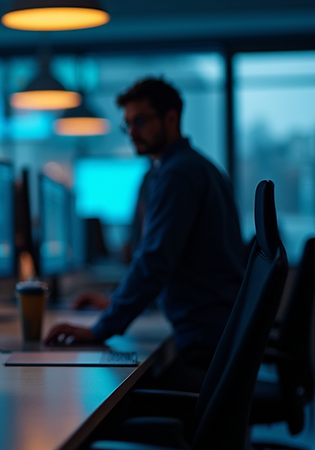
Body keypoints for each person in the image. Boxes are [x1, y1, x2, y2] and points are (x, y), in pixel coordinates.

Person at [45, 77, 244, 391]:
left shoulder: (179, 173)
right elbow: (166, 263)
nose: (132, 133)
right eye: (127, 125)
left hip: (202, 340)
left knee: (104, 392)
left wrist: (101, 329)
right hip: (214, 332)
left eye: (140, 121)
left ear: (171, 118)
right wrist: (112, 304)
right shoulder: (189, 167)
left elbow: (155, 261)